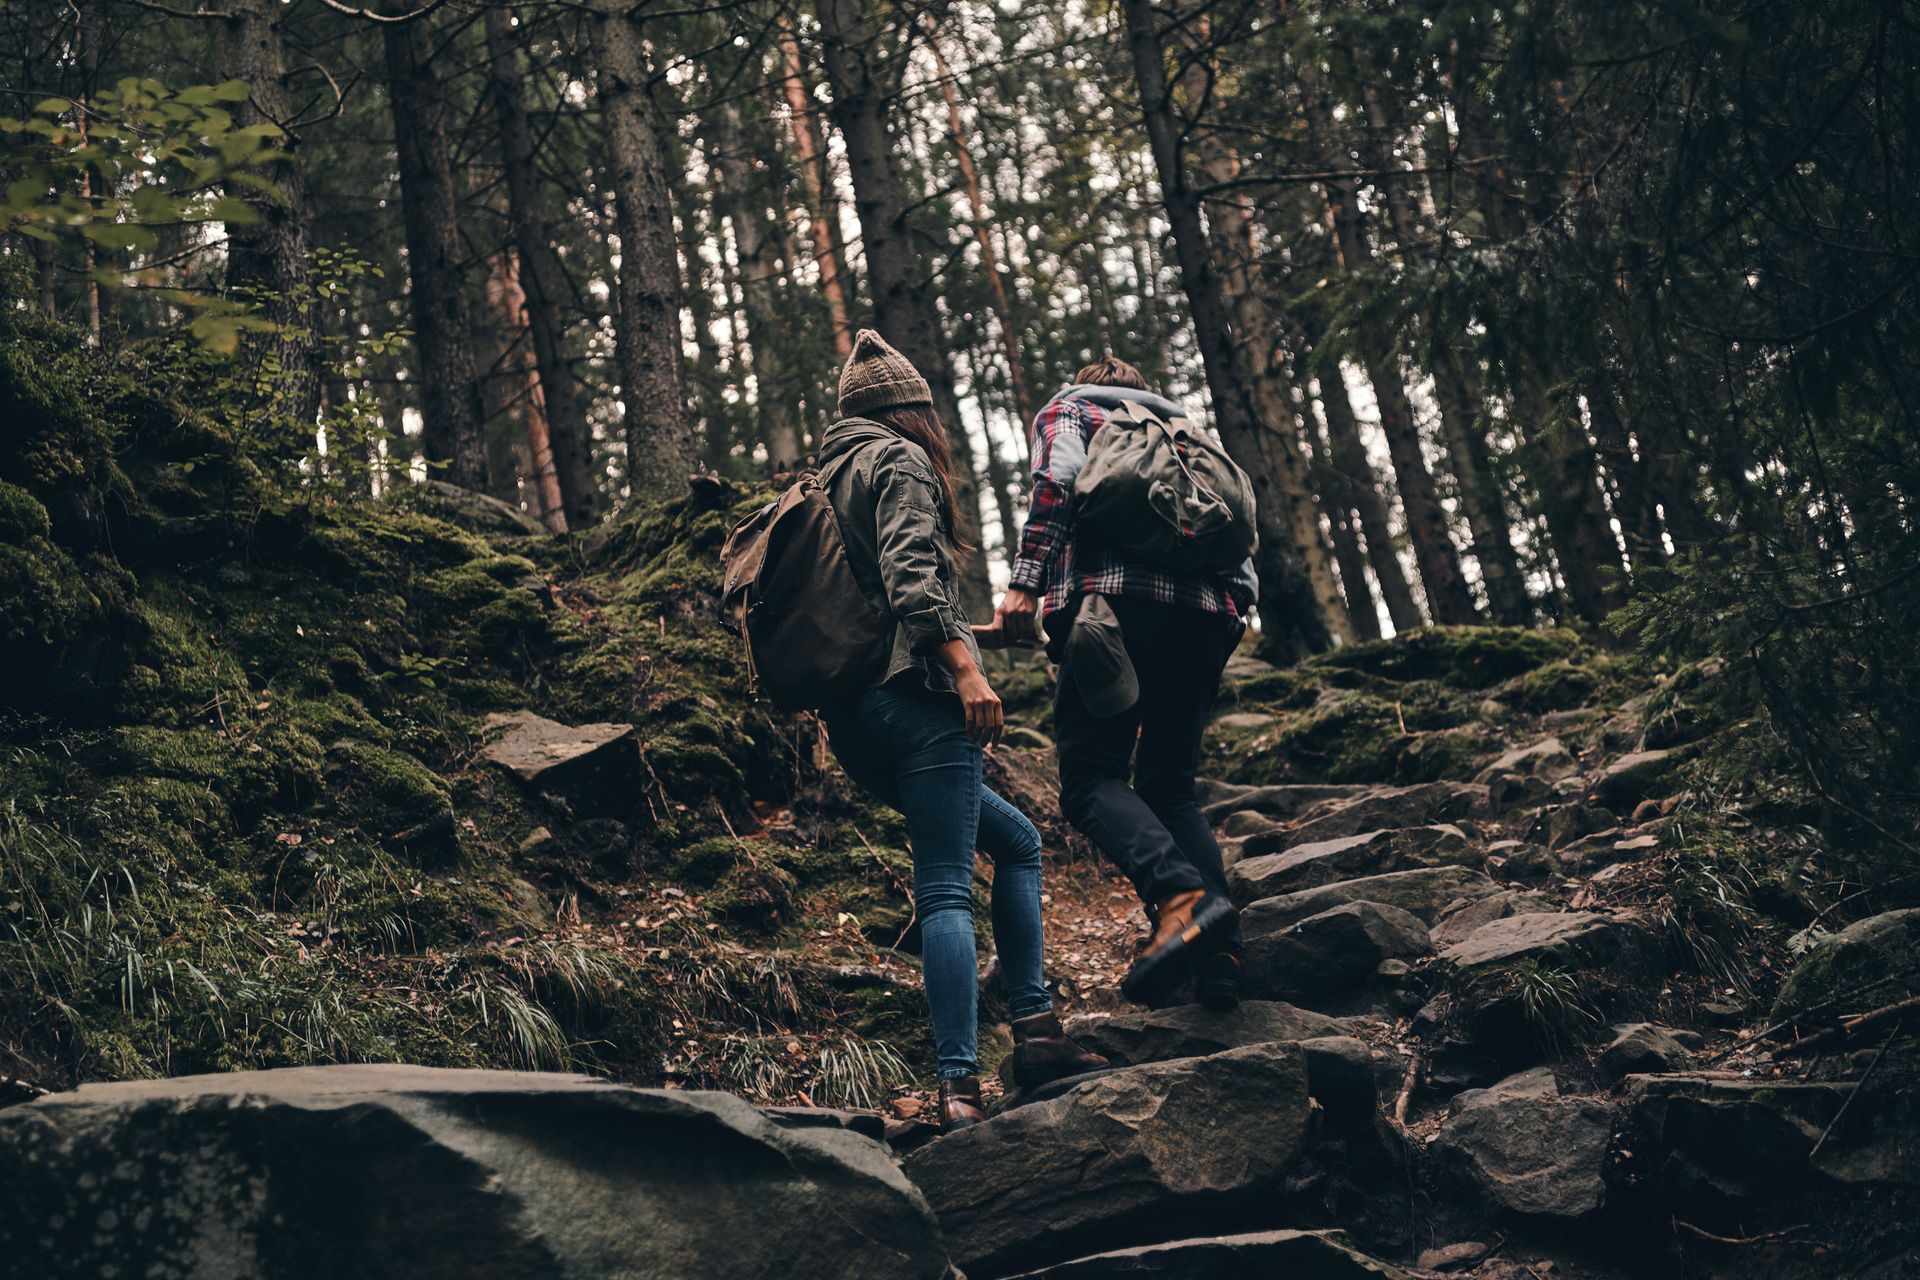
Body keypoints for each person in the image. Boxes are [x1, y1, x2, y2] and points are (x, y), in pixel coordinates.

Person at [815, 330, 1106, 1131]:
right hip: (918, 709)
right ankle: (959, 1086)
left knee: (1016, 844)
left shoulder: (829, 475)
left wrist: (974, 633)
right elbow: (913, 578)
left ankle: (1038, 1033)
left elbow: (881, 601)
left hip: (858, 716)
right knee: (944, 886)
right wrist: (968, 673)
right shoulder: (898, 461)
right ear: (911, 408)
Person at [993, 355, 1253, 1011]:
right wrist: (1233, 614)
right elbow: (1236, 538)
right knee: (1170, 785)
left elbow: (1054, 487)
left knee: (1088, 780)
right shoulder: (1186, 431)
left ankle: (1181, 899)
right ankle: (1219, 955)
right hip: (1206, 617)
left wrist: (1025, 586)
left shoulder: (1071, 408)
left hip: (1112, 609)